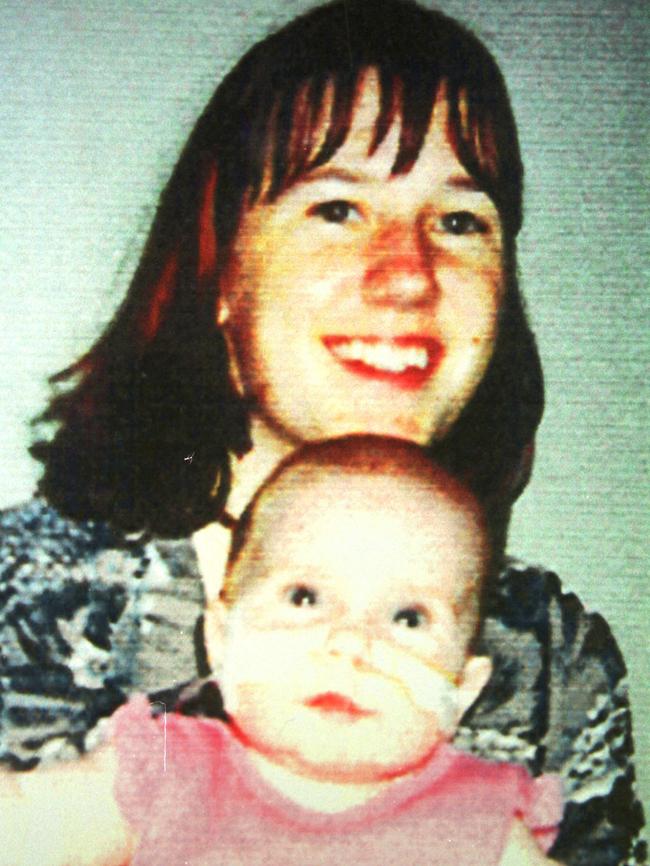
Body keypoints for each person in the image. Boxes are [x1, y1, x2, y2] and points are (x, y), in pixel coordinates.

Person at [0, 1, 644, 863]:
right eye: (338, 207)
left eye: (461, 221)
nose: (409, 274)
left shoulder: (552, 669)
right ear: (220, 271)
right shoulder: (19, 603)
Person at [1, 437, 565, 866]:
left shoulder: (481, 821)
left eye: (408, 617)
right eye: (305, 597)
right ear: (221, 640)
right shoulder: (166, 772)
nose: (351, 644)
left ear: (462, 690)